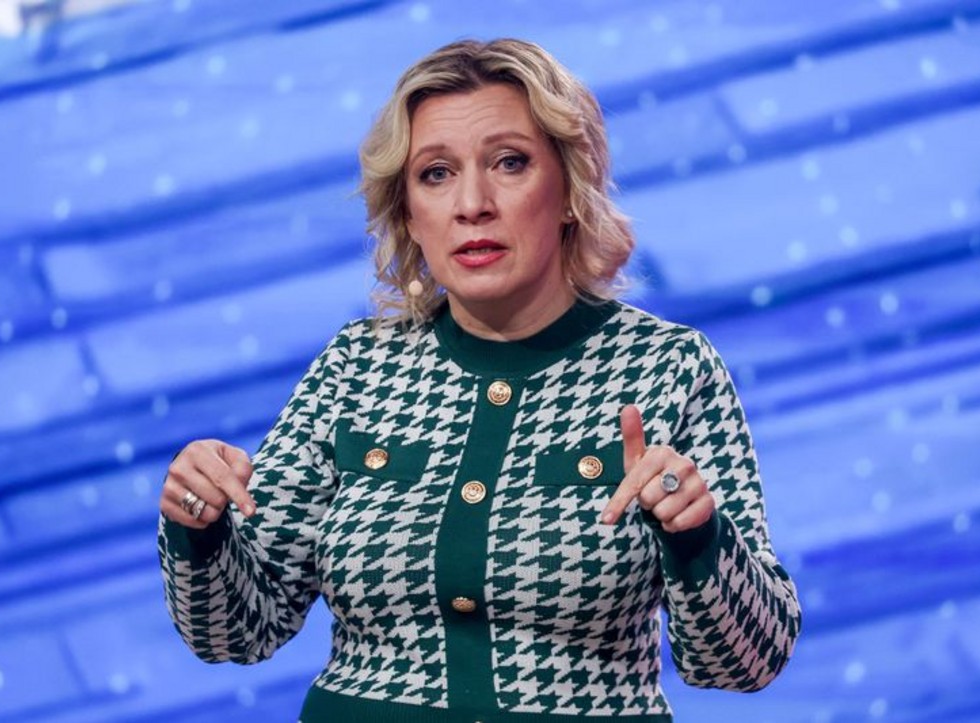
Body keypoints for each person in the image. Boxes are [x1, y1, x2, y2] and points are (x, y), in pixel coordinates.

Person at [158, 38, 801, 723]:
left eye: (509, 163)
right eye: (436, 173)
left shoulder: (670, 368)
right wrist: (198, 525)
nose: (472, 203)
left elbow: (746, 662)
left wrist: (697, 533)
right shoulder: (356, 367)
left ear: (569, 190)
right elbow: (238, 630)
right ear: (409, 213)